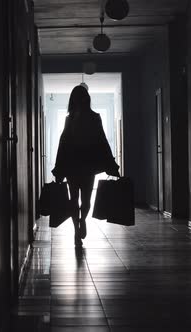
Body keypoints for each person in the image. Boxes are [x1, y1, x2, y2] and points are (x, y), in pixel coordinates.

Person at [52, 85, 120, 247]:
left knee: (74, 199)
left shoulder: (71, 119)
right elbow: (102, 142)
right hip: (88, 166)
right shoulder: (94, 117)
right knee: (85, 199)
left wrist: (59, 168)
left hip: (72, 166)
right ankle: (81, 223)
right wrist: (111, 164)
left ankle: (78, 227)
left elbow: (63, 145)